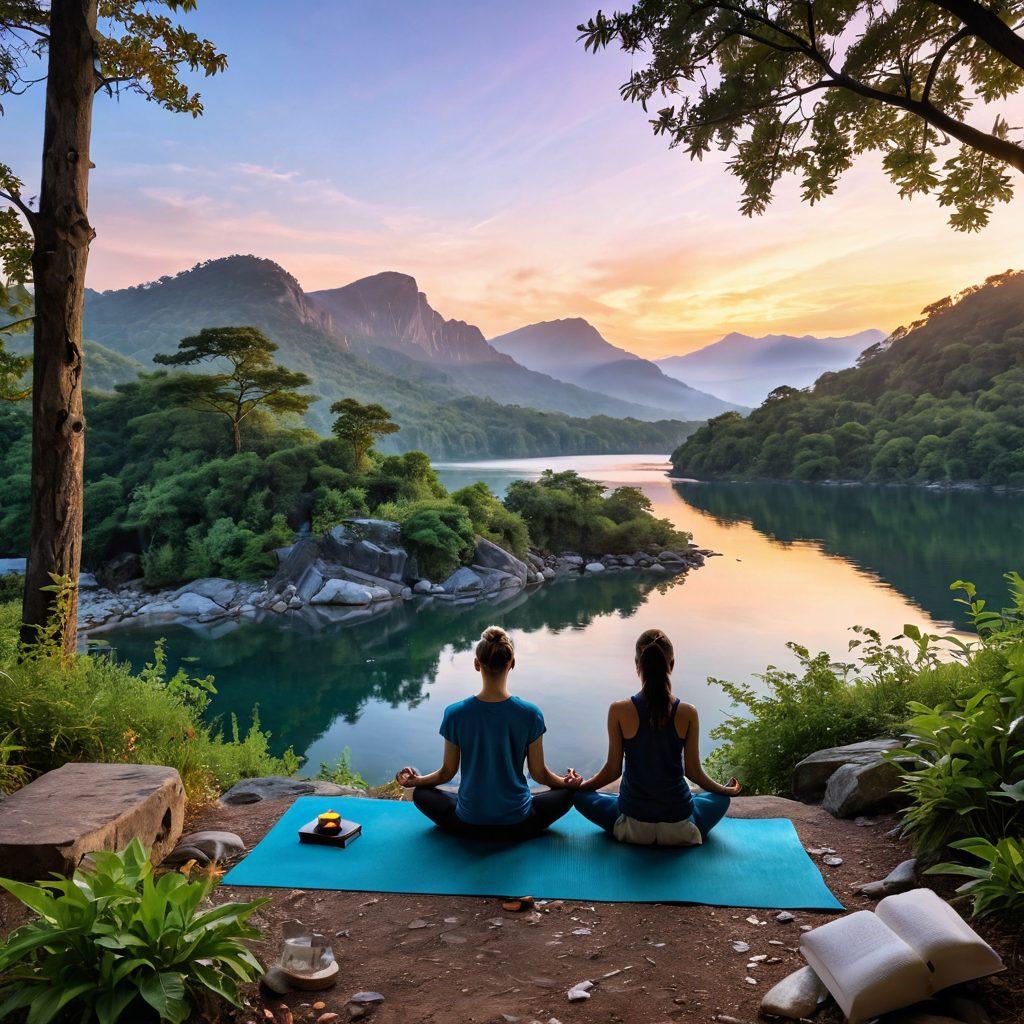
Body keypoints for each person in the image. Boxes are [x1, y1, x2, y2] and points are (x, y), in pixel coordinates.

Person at [396, 625, 580, 841]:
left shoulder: (455, 714)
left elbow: (446, 773)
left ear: (476, 664)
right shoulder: (530, 714)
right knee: (567, 795)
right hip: (519, 822)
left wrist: (415, 781)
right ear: (511, 664)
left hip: (468, 822)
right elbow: (539, 774)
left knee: (422, 794)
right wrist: (567, 783)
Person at [571, 628, 741, 845]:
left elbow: (612, 771)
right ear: (672, 665)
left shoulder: (618, 711)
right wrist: (724, 790)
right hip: (681, 827)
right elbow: (694, 773)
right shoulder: (688, 712)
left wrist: (580, 787)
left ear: (637, 665)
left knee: (580, 797)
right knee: (720, 799)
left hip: (630, 826)